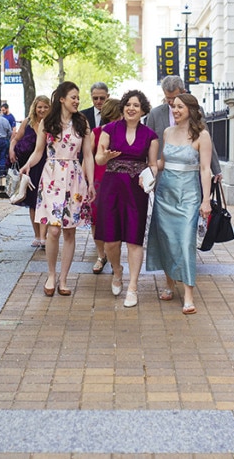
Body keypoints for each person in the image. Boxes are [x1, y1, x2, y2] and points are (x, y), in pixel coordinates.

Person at [20, 81, 96, 297]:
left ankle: (63, 279)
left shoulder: (82, 122)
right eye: (73, 97)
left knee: (70, 230)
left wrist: (90, 183)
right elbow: (38, 152)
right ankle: (51, 275)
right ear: (61, 98)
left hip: (74, 177)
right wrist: (28, 165)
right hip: (52, 176)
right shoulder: (47, 122)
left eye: (78, 97)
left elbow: (88, 156)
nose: (77, 101)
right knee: (53, 229)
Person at [145, 93, 212, 315]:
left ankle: (189, 294)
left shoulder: (202, 135)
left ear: (191, 109)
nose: (175, 110)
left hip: (189, 195)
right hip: (165, 194)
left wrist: (206, 200)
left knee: (185, 242)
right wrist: (149, 170)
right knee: (167, 240)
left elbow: (205, 169)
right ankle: (169, 284)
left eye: (180, 107)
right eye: (173, 107)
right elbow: (163, 162)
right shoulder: (167, 132)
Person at [95, 89, 158, 307]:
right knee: (111, 241)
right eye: (129, 104)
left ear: (143, 110)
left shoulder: (150, 135)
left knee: (134, 239)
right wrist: (105, 155)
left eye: (136, 105)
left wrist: (150, 176)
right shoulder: (109, 129)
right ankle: (117, 270)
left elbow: (152, 164)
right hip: (111, 187)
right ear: (123, 107)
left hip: (136, 189)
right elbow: (99, 159)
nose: (132, 108)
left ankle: (133, 286)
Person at [145, 75, 222, 181]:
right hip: (162, 176)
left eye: (175, 97)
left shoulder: (196, 111)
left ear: (184, 92)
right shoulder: (155, 114)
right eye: (168, 98)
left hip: (190, 177)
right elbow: (147, 144)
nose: (171, 102)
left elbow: (207, 142)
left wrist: (216, 170)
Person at [10, 95, 51, 248]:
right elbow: (15, 139)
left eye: (46, 107)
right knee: (34, 201)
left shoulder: (53, 123)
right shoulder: (28, 122)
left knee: (46, 200)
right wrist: (11, 150)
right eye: (39, 107)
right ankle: (37, 235)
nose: (42, 110)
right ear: (35, 107)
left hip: (48, 164)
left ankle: (44, 235)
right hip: (32, 165)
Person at [89, 98, 123, 274]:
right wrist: (85, 181)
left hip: (119, 180)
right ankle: (101, 254)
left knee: (117, 218)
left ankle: (113, 255)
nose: (117, 121)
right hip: (98, 178)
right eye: (114, 116)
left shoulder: (127, 133)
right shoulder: (96, 132)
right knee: (95, 218)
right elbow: (87, 157)